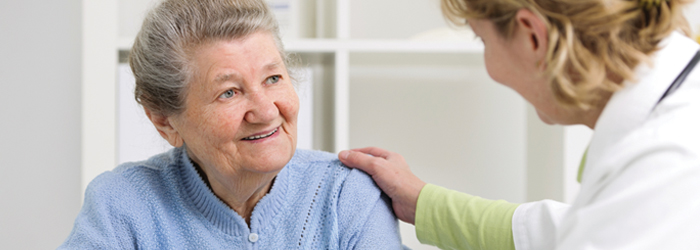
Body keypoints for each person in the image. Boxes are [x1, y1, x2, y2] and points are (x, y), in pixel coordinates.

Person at [338, 0, 700, 249]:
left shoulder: (665, 161)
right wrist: (423, 203)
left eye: (483, 40)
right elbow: (559, 233)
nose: (489, 66)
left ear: (532, 36)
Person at [59, 0, 402, 248]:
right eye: (229, 92)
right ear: (165, 122)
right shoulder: (121, 203)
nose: (266, 112)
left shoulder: (347, 195)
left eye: (273, 78)